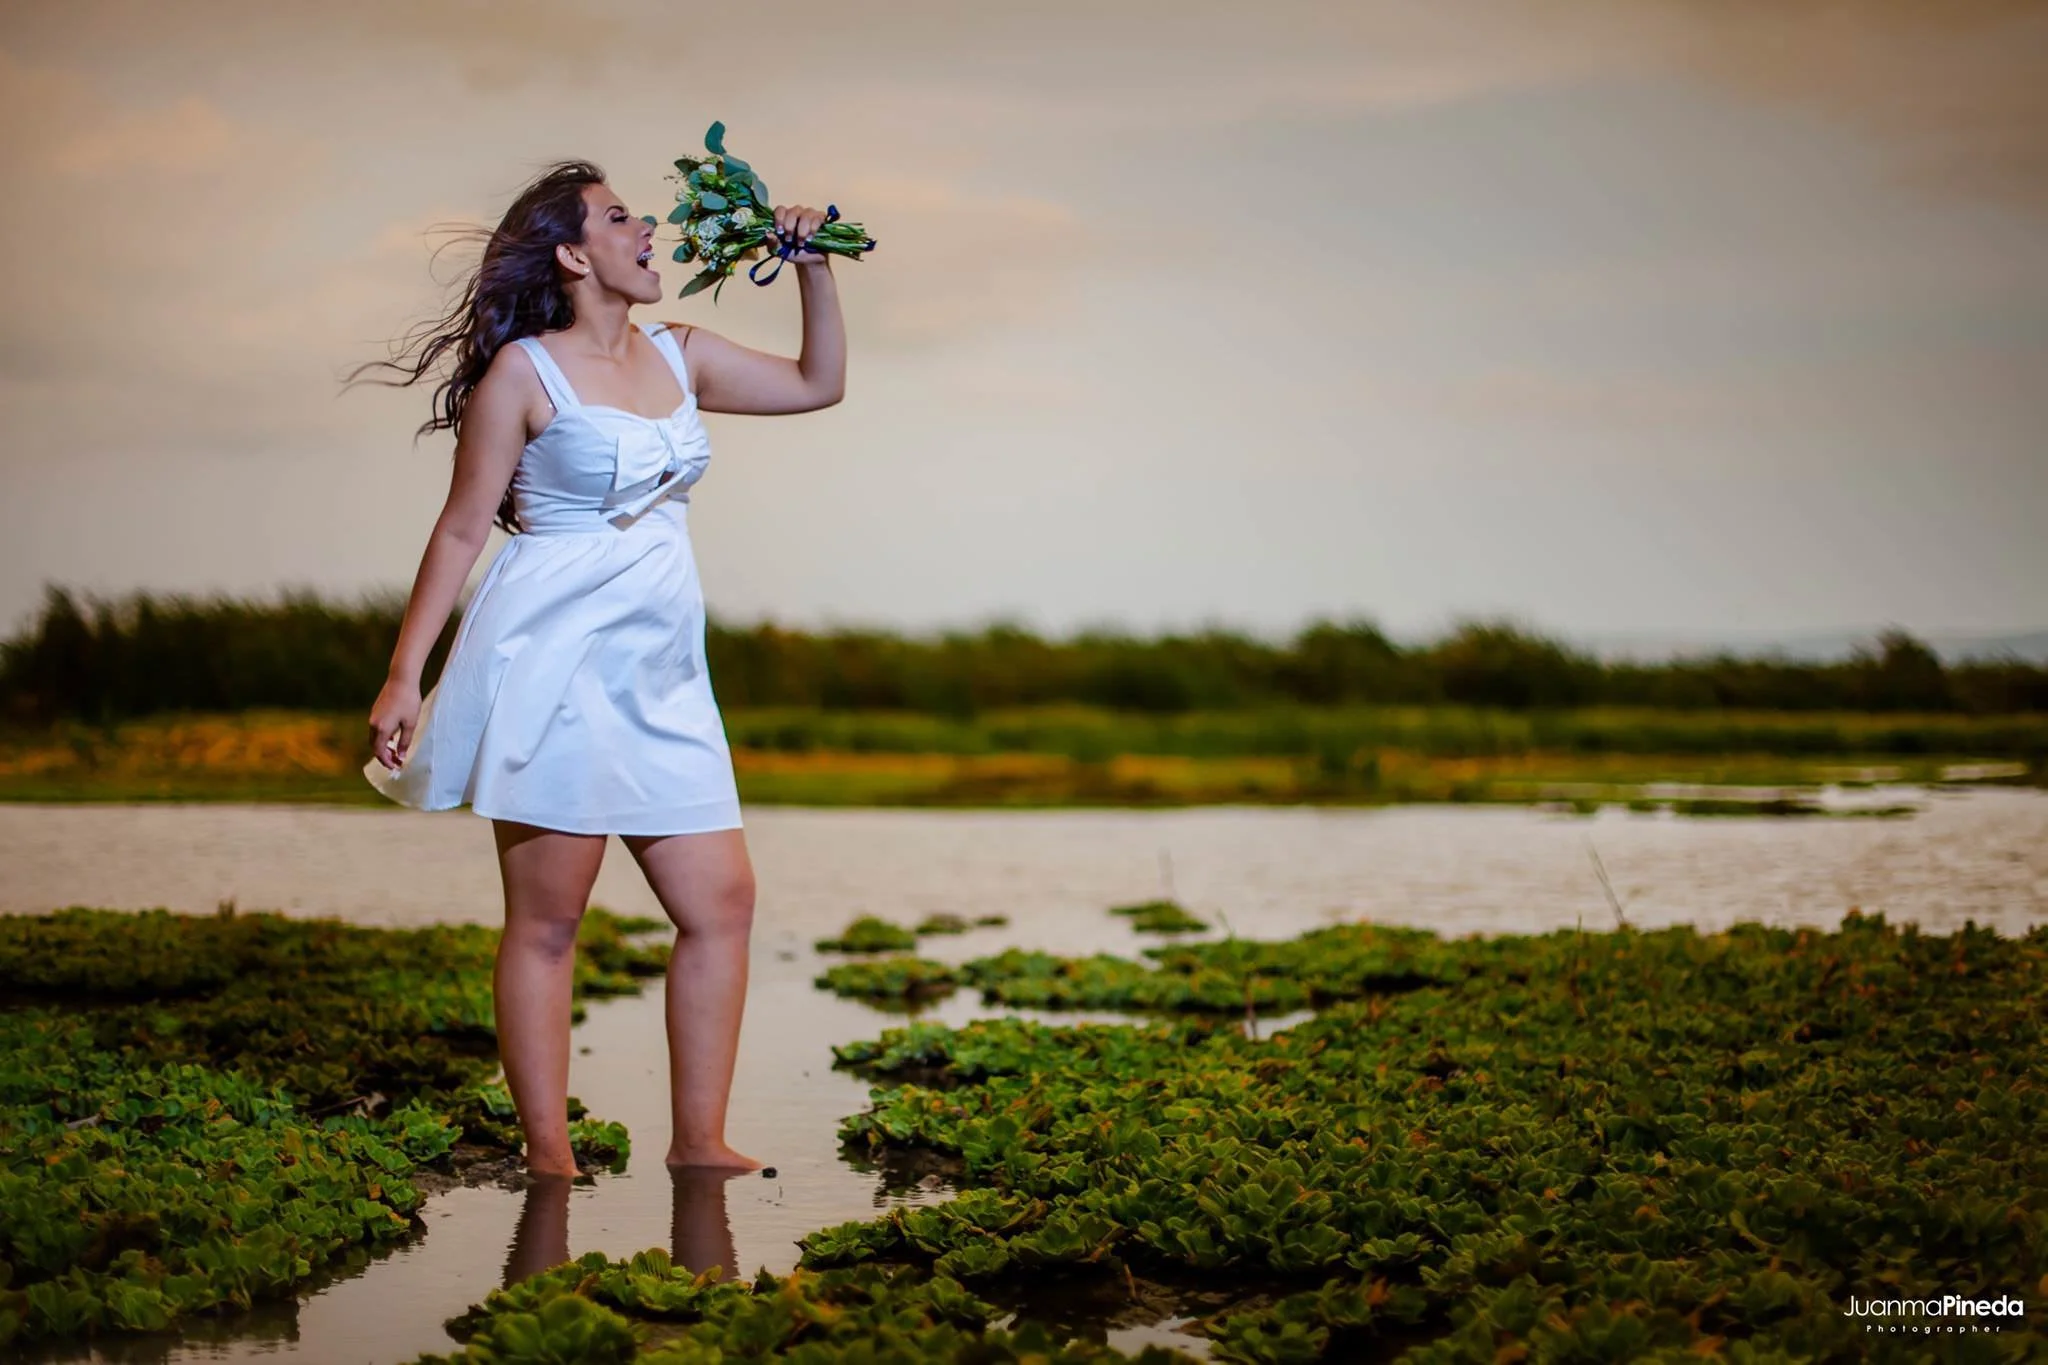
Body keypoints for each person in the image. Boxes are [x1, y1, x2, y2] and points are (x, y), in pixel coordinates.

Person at [349, 160, 846, 1178]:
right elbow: (457, 534)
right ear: (576, 254)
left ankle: (698, 1143)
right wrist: (406, 677)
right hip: (550, 659)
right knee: (548, 922)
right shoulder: (523, 375)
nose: (650, 226)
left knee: (722, 905)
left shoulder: (684, 353)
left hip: (662, 673)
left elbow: (815, 384)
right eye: (621, 217)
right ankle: (550, 1159)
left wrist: (812, 265)